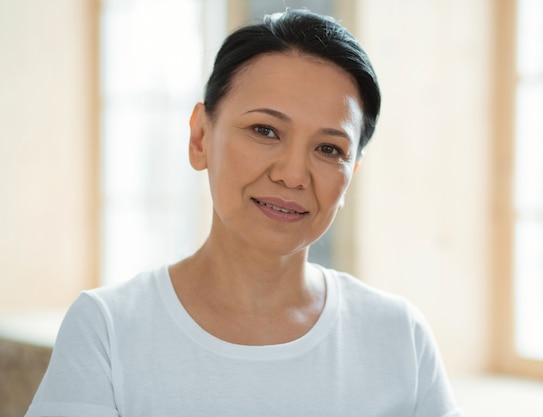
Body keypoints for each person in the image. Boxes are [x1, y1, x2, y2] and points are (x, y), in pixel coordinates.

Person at [26, 9, 464, 417]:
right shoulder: (108, 329)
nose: (294, 175)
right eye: (265, 130)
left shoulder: (399, 338)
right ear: (200, 137)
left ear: (351, 173)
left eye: (329, 149)